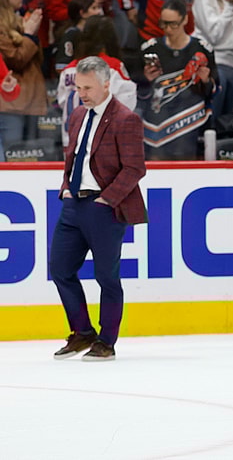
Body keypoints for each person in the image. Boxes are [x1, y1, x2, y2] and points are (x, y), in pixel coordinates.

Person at [49, 55, 147, 361]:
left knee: (106, 276)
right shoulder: (78, 115)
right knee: (60, 269)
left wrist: (108, 198)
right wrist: (66, 187)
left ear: (107, 84)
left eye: (88, 87)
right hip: (73, 205)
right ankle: (82, 332)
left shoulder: (125, 119)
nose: (82, 93)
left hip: (104, 208)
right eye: (79, 87)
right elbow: (72, 156)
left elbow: (135, 168)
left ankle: (106, 341)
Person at [139, 0, 217, 160]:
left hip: (190, 122)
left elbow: (214, 90)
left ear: (185, 20)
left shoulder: (202, 48)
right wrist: (146, 79)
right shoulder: (150, 48)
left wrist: (205, 80)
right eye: (164, 23)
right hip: (157, 121)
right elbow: (139, 92)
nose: (168, 29)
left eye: (173, 24)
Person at [57, 15, 138, 147]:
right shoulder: (112, 67)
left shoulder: (68, 70)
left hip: (71, 142)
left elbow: (62, 102)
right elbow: (127, 103)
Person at [0, 0, 44, 161]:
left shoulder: (20, 22)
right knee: (11, 157)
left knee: (29, 157)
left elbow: (37, 59)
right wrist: (28, 35)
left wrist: (29, 35)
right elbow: (15, 60)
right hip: (10, 106)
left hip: (30, 98)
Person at [53, 0, 102, 73]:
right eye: (94, 8)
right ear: (82, 13)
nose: (98, 12)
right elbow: (61, 65)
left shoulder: (96, 32)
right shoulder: (70, 35)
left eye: (98, 8)